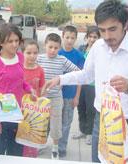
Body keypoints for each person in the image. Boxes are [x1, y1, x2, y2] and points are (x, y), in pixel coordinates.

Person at [43, 1, 128, 164]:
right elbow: (87, 75)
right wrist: (60, 79)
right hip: (100, 120)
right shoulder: (98, 46)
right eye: (102, 30)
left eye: (112, 29)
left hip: (126, 124)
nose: (107, 36)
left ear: (126, 24)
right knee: (97, 161)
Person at [0, 23, 34, 164]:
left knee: (16, 151)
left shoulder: (20, 57)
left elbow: (20, 81)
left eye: (17, 41)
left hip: (17, 113)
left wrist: (29, 88)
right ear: (1, 42)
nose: (14, 45)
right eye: (10, 41)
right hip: (0, 115)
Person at [37, 33, 79, 159]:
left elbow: (77, 72)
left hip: (56, 98)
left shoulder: (62, 60)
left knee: (56, 124)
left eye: (56, 48)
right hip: (41, 99)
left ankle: (55, 148)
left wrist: (63, 80)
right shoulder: (39, 59)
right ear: (45, 46)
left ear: (59, 48)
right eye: (50, 47)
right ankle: (40, 144)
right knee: (41, 123)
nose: (53, 50)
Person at [57, 25, 84, 158]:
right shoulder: (57, 53)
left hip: (70, 96)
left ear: (75, 39)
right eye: (67, 37)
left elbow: (80, 78)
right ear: (63, 36)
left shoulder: (79, 56)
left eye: (72, 38)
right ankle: (52, 145)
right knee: (53, 122)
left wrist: (77, 97)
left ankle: (62, 148)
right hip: (56, 96)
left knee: (66, 124)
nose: (69, 40)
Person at [72, 26, 100, 145]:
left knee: (90, 110)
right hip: (80, 84)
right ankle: (82, 131)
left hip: (92, 85)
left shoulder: (100, 51)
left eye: (95, 37)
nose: (92, 39)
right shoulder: (81, 48)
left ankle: (90, 133)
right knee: (81, 108)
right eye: (90, 37)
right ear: (86, 37)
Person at [21, 39, 45, 157]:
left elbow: (41, 89)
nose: (32, 56)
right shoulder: (18, 69)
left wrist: (43, 107)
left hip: (34, 112)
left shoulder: (40, 70)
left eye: (35, 53)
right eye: (29, 53)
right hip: (20, 111)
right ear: (22, 53)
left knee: (32, 140)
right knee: (20, 140)